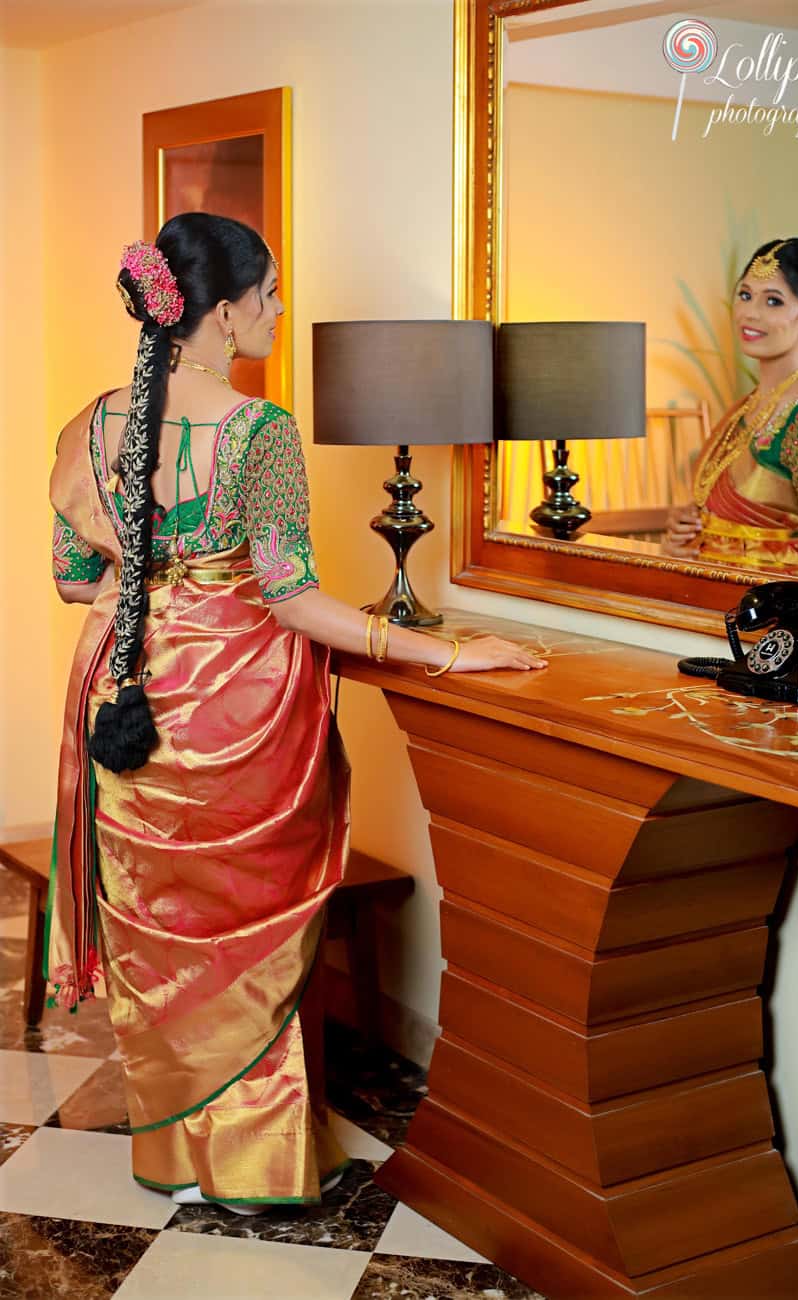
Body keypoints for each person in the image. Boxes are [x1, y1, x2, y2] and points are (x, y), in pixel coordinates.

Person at [46, 213, 545, 1215]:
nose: (278, 309)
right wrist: (453, 650)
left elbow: (71, 581)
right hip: (236, 708)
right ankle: (251, 1173)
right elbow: (296, 602)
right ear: (224, 312)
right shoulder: (256, 433)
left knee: (160, 932)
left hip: (124, 699)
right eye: (269, 294)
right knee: (247, 939)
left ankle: (176, 1164)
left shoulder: (90, 427)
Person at [663, 237, 798, 576]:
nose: (749, 313)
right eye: (745, 295)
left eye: (773, 301)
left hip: (771, 614)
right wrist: (685, 539)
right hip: (713, 600)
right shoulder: (753, 404)